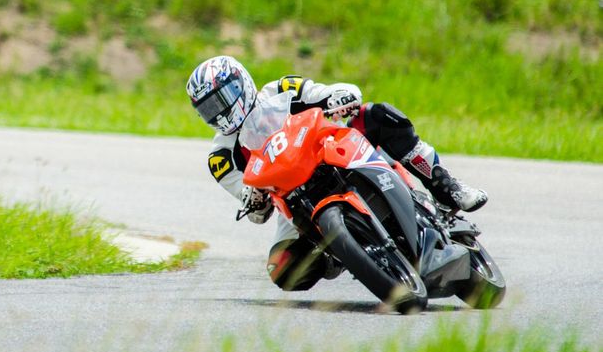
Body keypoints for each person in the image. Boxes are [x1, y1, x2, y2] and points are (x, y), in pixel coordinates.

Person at [187, 55, 488, 291]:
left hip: (329, 151)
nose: (219, 112)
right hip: (292, 200)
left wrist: (339, 95)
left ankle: (447, 187)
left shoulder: (281, 90)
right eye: (208, 109)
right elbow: (254, 210)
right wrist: (253, 199)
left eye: (221, 100)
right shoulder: (221, 158)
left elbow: (324, 93)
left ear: (241, 84)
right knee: (284, 270)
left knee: (378, 115)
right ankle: (346, 252)